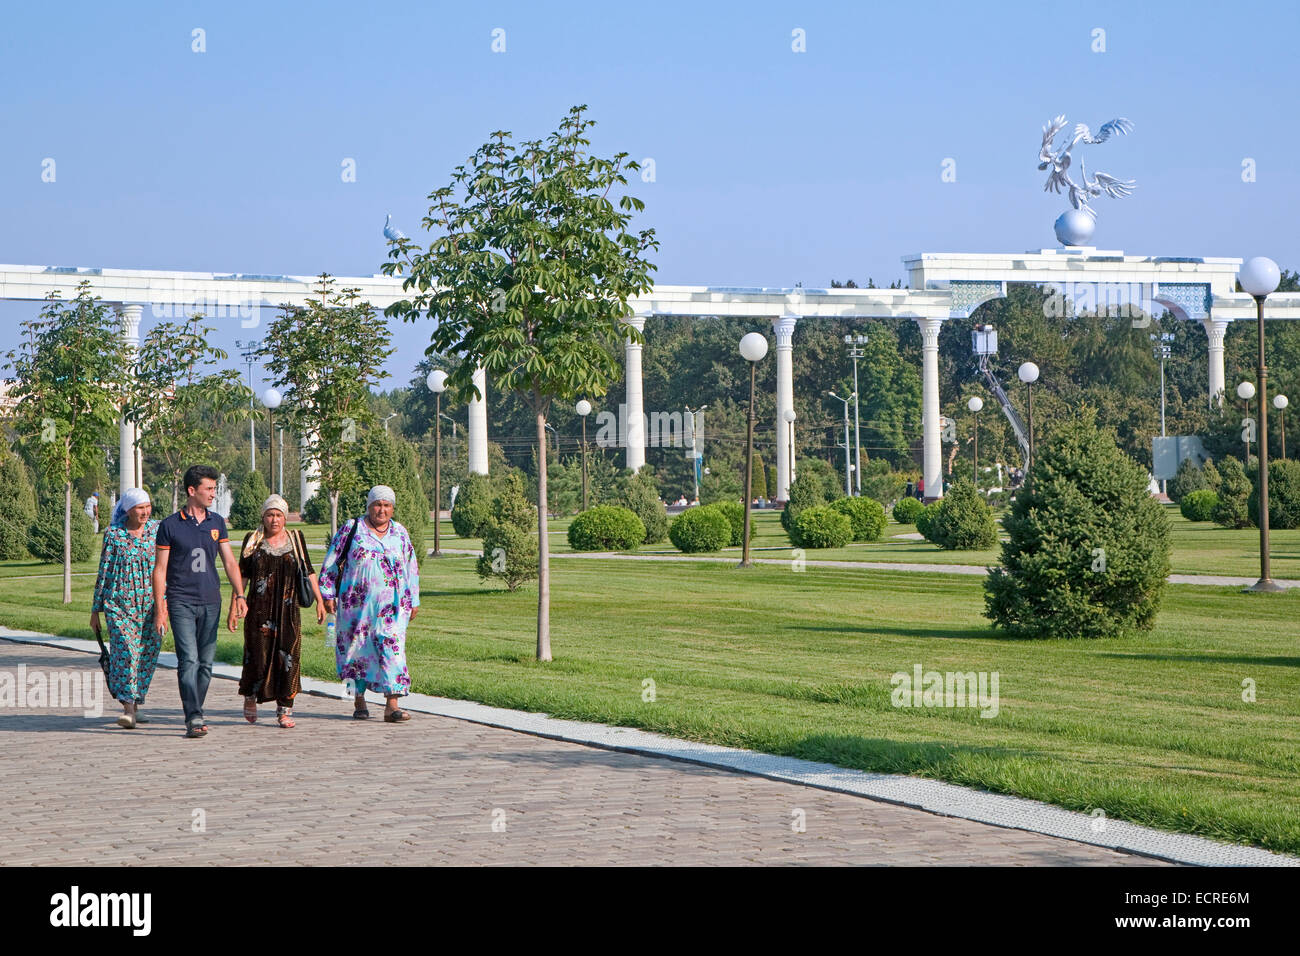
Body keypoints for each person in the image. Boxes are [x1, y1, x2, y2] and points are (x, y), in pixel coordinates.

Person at [152, 465, 246, 739]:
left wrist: (239, 594)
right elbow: (159, 570)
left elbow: (229, 561)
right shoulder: (169, 525)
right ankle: (193, 715)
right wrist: (161, 608)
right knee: (188, 660)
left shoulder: (217, 522)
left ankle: (196, 708)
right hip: (181, 600)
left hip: (210, 601)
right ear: (192, 491)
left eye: (215, 489)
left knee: (206, 664)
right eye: (208, 489)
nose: (213, 494)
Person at [318, 485, 420, 723]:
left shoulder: (400, 533)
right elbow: (331, 562)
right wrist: (327, 593)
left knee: (393, 651)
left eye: (386, 505)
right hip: (356, 608)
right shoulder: (352, 528)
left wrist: (414, 599)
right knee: (354, 652)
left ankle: (391, 705)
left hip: (393, 609)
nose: (381, 510)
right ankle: (358, 701)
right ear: (369, 506)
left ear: (392, 508)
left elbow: (411, 567)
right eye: (377, 504)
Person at [234, 494, 324, 728]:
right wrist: (236, 604)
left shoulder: (296, 539)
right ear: (263, 516)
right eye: (270, 515)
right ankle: (251, 697)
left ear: (285, 518)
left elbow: (309, 571)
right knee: (257, 656)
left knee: (289, 659)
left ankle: (285, 709)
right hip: (258, 611)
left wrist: (320, 601)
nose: (274, 520)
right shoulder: (252, 540)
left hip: (288, 612)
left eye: (279, 515)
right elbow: (242, 575)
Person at [90, 488, 160, 729]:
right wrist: (95, 610)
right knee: (126, 653)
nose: (144, 512)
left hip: (151, 604)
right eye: (139, 508)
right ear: (128, 510)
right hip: (119, 604)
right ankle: (128, 708)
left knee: (147, 653)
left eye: (147, 507)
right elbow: (104, 571)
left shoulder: (156, 531)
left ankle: (137, 701)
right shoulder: (113, 534)